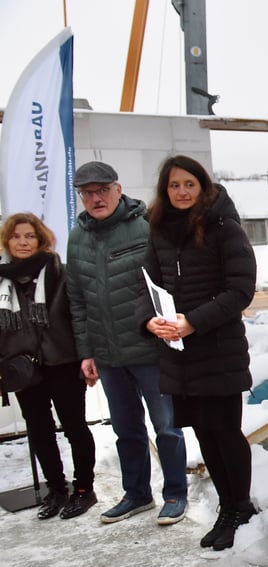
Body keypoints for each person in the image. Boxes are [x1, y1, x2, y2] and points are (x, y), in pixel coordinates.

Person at [137, 156, 257, 550]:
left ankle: (241, 507)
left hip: (218, 350)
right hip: (179, 354)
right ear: (165, 190)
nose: (182, 192)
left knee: (225, 432)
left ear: (203, 186)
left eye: (190, 184)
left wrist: (194, 321)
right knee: (204, 433)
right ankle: (227, 507)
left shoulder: (225, 228)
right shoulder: (160, 231)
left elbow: (240, 291)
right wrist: (150, 320)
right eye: (174, 185)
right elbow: (148, 285)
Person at [65, 161, 189, 526]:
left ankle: (175, 494)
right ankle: (136, 494)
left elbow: (169, 280)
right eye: (87, 193)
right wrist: (86, 351)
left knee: (166, 427)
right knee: (125, 430)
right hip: (107, 353)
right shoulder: (78, 237)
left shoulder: (146, 225)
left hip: (150, 349)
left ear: (118, 189)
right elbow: (77, 299)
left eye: (102, 190)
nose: (95, 198)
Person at [0, 213, 97, 520]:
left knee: (74, 427)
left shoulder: (59, 273)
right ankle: (57, 489)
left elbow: (80, 318)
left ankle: (84, 489)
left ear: (41, 240)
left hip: (63, 362)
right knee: (39, 431)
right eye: (16, 236)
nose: (23, 242)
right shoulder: (1, 280)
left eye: (29, 236)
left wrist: (87, 355)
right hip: (23, 368)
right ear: (7, 241)